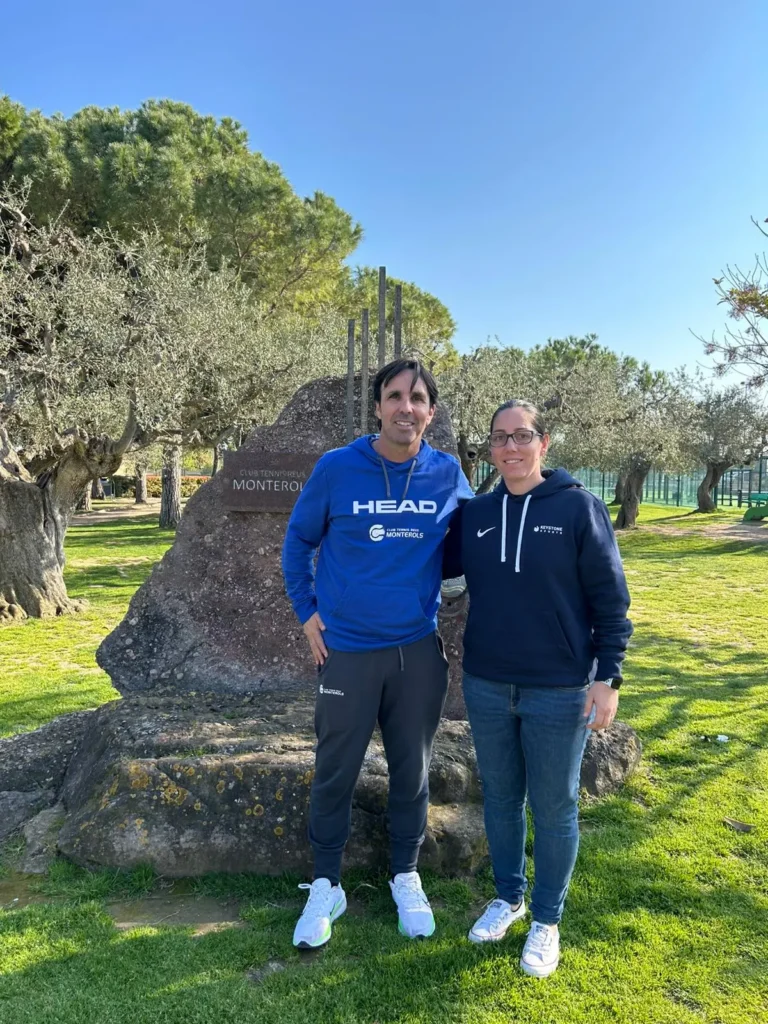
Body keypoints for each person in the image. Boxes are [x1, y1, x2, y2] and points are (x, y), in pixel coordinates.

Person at [282, 358, 474, 949]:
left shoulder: (447, 474)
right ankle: (325, 885)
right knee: (335, 770)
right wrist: (307, 612)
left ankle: (405, 874)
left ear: (431, 411)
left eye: (417, 398)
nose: (405, 407)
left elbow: (475, 542)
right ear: (378, 406)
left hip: (415, 653)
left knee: (411, 772)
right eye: (394, 396)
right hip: (348, 653)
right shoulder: (338, 468)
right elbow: (298, 540)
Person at [446, 398, 632, 978]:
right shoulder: (475, 514)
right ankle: (508, 897)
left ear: (543, 443)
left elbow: (611, 600)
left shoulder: (579, 509)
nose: (510, 447)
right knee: (500, 799)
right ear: (491, 448)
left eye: (521, 436)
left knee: (554, 808)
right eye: (499, 438)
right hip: (487, 683)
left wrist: (607, 676)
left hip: (558, 688)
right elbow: (420, 560)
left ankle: (546, 920)